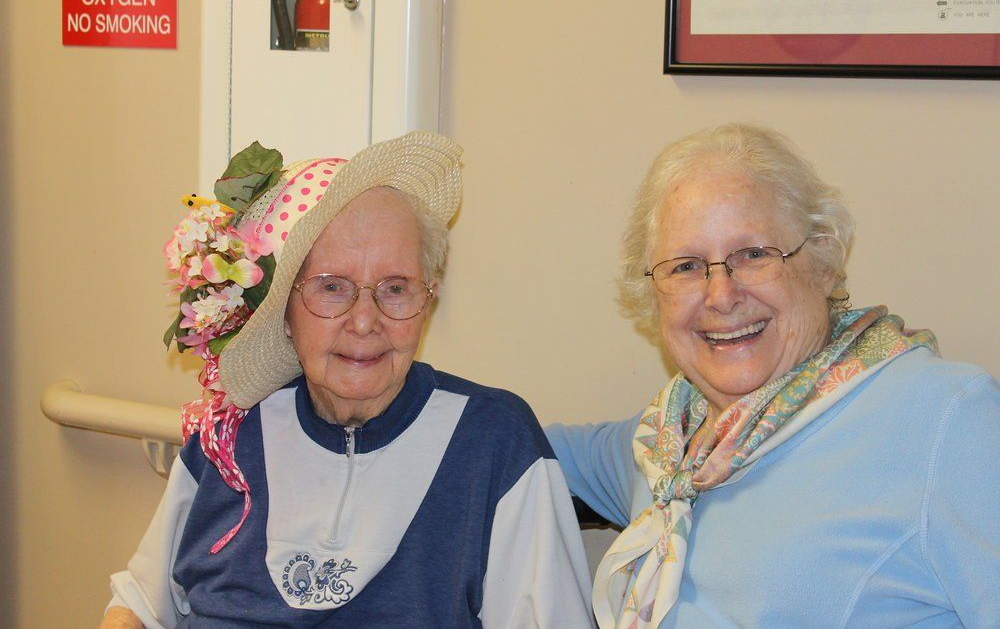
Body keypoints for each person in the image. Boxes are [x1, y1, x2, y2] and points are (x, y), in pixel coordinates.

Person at [103, 132, 594, 628]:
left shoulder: (494, 441)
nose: (364, 321)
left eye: (395, 288)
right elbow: (140, 603)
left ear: (428, 300)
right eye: (332, 287)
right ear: (285, 314)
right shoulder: (230, 432)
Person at [546, 124, 1000, 628]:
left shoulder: (947, 418)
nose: (721, 295)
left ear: (823, 263)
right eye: (687, 266)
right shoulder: (665, 445)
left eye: (754, 255)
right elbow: (511, 439)